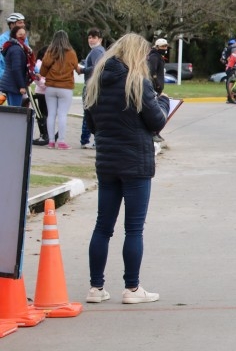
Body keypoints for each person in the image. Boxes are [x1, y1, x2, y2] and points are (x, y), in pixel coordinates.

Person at [83, 33, 169, 305]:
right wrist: (164, 102)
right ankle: (132, 288)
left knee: (102, 226)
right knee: (133, 229)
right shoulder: (137, 83)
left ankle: (96, 288)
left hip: (107, 162)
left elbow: (92, 125)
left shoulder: (94, 83)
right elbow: (156, 122)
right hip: (135, 163)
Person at [40, 30, 80, 149]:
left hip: (51, 87)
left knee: (51, 114)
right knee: (62, 114)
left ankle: (51, 141)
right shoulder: (71, 53)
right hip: (66, 88)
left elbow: (42, 72)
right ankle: (61, 141)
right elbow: (77, 68)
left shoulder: (49, 52)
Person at [79, 28, 106, 148]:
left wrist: (82, 70)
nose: (91, 40)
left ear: (100, 39)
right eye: (89, 37)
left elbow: (97, 68)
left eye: (94, 37)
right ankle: (91, 140)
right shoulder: (99, 51)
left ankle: (86, 140)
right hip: (94, 86)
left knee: (89, 114)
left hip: (92, 86)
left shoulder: (96, 51)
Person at [0, 25, 31, 107]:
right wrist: (21, 86)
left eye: (24, 34)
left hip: (10, 83)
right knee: (15, 110)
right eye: (20, 34)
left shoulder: (12, 46)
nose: (23, 37)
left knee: (12, 109)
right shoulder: (16, 49)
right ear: (14, 35)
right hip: (14, 85)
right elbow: (16, 69)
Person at [0, 12, 28, 79]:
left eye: (23, 22)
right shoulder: (3, 38)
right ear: (12, 24)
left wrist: (36, 71)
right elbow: (2, 59)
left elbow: (28, 55)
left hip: (20, 74)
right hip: (6, 76)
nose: (23, 25)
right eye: (20, 23)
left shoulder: (24, 38)